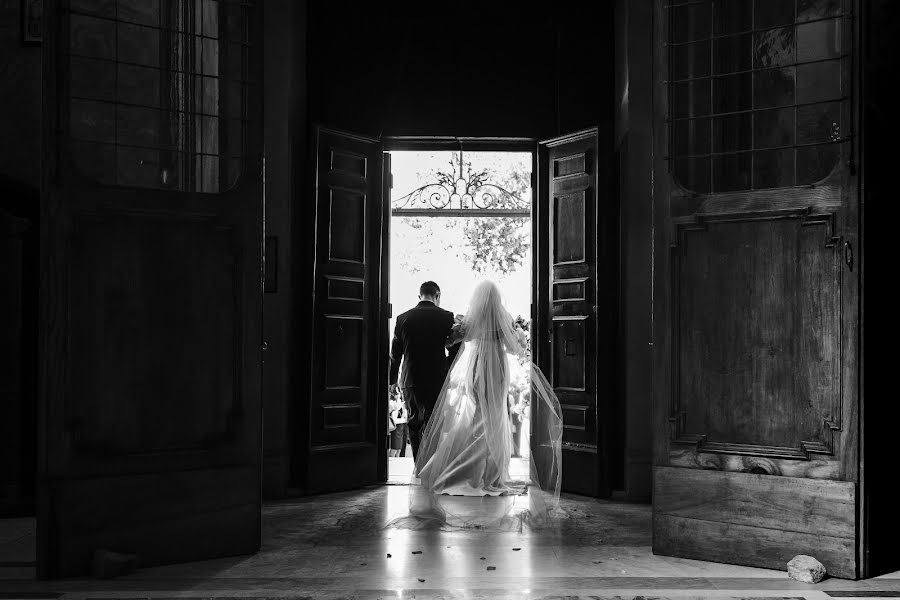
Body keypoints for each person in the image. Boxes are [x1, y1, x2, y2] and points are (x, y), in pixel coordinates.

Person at [392, 280, 563, 531]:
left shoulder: (472, 317)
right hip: (497, 369)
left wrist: (453, 337)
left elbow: (454, 339)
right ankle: (491, 475)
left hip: (476, 368)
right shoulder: (503, 317)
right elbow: (517, 347)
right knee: (495, 416)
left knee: (475, 418)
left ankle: (463, 470)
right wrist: (517, 332)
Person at [388, 281, 460, 460]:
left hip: (410, 379)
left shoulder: (402, 318)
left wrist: (392, 380)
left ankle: (418, 466)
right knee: (434, 423)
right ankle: (432, 466)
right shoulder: (446, 316)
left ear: (419, 296)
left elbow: (395, 353)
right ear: (438, 296)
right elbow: (455, 347)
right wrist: (447, 366)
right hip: (437, 378)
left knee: (413, 422)